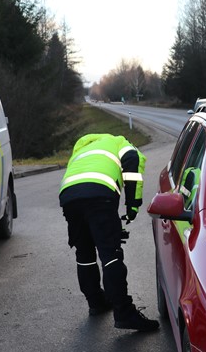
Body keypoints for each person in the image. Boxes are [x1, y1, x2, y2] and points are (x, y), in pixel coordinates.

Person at [58, 133, 159, 332]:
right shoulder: (119, 142)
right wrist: (132, 206)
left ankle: (96, 302)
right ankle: (124, 313)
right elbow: (133, 163)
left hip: (69, 196)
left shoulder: (81, 148)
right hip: (99, 194)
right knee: (110, 255)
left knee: (84, 253)